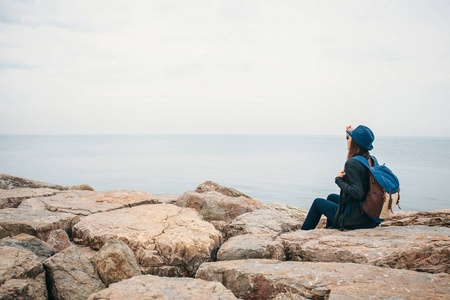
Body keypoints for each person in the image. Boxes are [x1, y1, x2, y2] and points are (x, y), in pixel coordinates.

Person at [301, 125, 379, 230]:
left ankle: (304, 232)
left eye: (349, 138)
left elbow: (358, 193)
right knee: (331, 197)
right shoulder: (372, 160)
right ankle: (331, 229)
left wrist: (338, 180)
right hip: (367, 216)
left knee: (317, 202)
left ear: (355, 142)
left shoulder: (352, 163)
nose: (347, 141)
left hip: (356, 220)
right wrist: (351, 135)